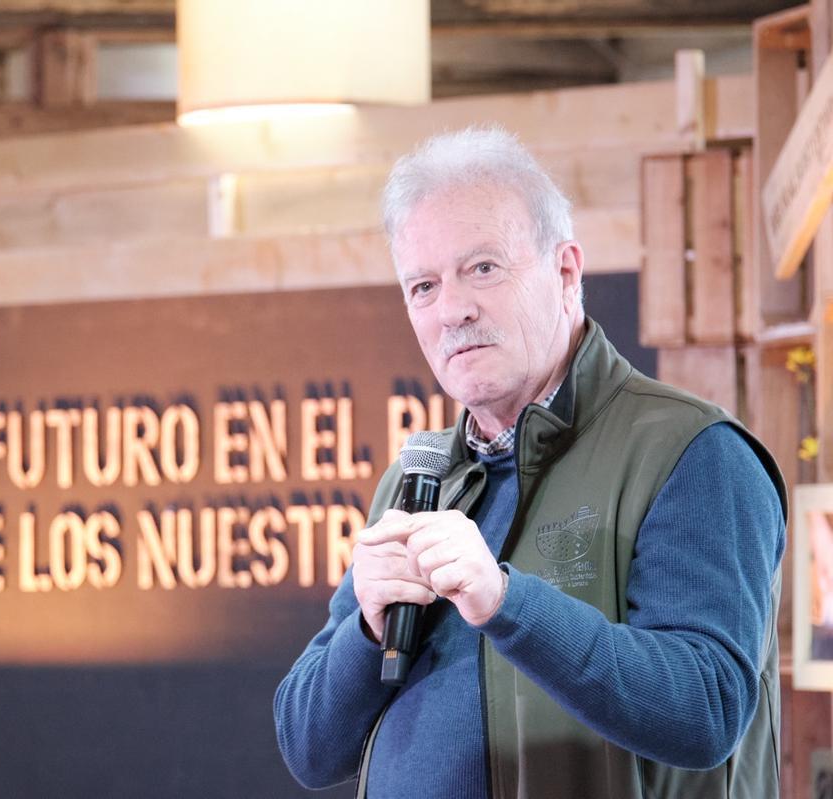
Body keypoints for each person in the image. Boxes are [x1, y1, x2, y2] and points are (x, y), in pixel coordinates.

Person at [273, 127, 787, 798]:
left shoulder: (691, 452)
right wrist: (367, 631)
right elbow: (309, 750)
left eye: (482, 267)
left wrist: (508, 603)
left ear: (566, 270)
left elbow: (705, 710)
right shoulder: (417, 482)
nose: (452, 308)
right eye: (422, 286)